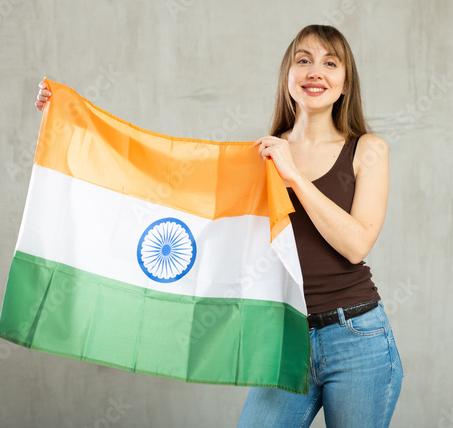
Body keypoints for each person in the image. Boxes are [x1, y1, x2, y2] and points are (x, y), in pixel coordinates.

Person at [34, 24, 403, 427]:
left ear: (345, 83)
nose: (316, 72)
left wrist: (294, 176)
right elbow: (173, 188)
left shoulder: (367, 149)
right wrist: (67, 118)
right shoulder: (261, 157)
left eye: (330, 63)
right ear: (288, 76)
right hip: (284, 338)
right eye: (303, 61)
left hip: (357, 338)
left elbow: (356, 244)